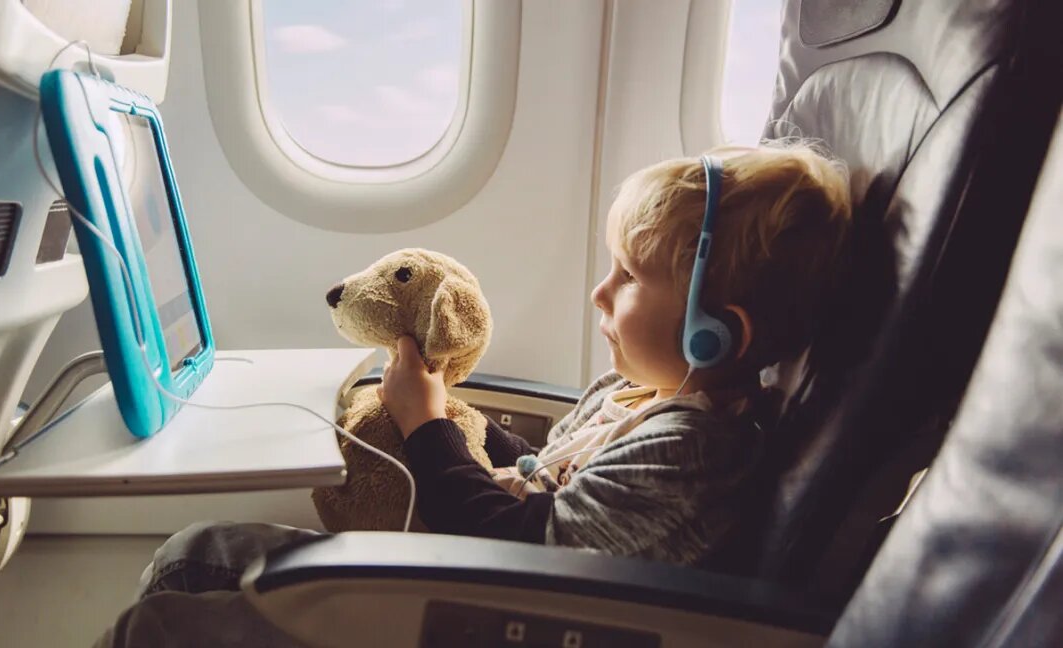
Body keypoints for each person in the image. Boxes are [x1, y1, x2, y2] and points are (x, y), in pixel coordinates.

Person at [97, 141, 853, 647]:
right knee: (196, 550)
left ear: (718, 331)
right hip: (498, 571)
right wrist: (468, 427)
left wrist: (427, 429)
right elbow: (548, 480)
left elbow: (521, 540)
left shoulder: (692, 451)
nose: (599, 290)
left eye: (628, 277)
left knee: (164, 623)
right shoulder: (634, 396)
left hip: (506, 607)